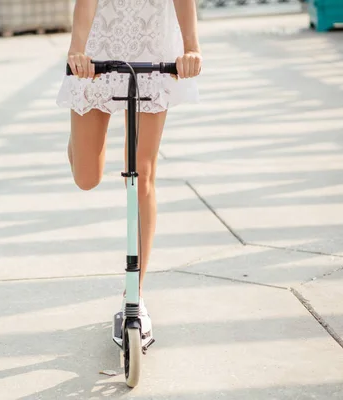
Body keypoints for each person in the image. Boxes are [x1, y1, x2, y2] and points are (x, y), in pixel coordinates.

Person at [56, 0, 202, 342]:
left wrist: (192, 48)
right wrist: (77, 49)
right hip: (97, 52)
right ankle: (80, 143)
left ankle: (133, 296)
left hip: (154, 49)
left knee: (141, 175)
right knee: (87, 177)